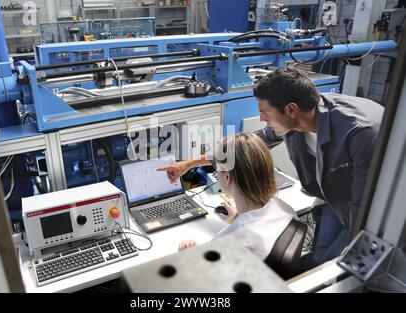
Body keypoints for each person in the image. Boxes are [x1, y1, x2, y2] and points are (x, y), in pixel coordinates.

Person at [158, 67, 384, 270]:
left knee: (339, 264)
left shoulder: (359, 133)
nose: (261, 119)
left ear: (291, 109)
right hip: (331, 196)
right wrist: (188, 164)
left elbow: (364, 206)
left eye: (265, 112)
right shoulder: (294, 121)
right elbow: (244, 147)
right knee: (319, 258)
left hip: (365, 207)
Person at [177, 133, 297, 261]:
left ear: (227, 176)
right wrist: (237, 219)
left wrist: (188, 255)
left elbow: (200, 275)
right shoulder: (285, 209)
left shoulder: (230, 241)